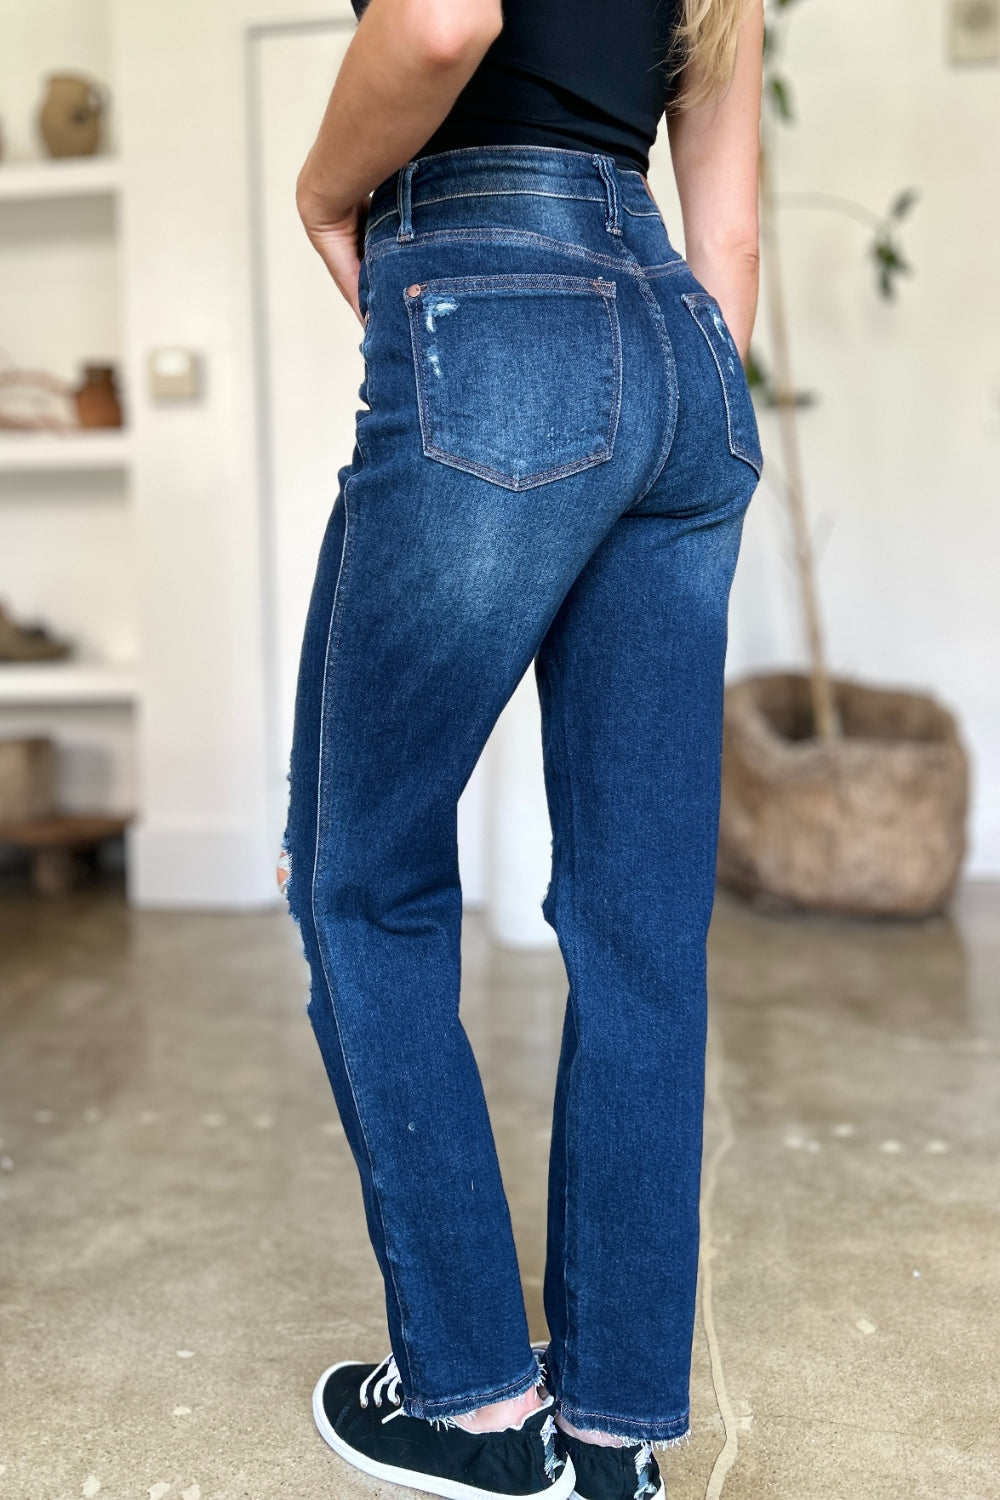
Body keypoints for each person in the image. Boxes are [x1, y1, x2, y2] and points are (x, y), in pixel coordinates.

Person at [279, 1, 764, 1496]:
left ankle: (479, 1412)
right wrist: (659, 425)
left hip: (495, 297)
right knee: (640, 931)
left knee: (363, 879)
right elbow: (728, 231)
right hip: (687, 356)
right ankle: (616, 1434)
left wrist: (321, 191)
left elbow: (438, 24)